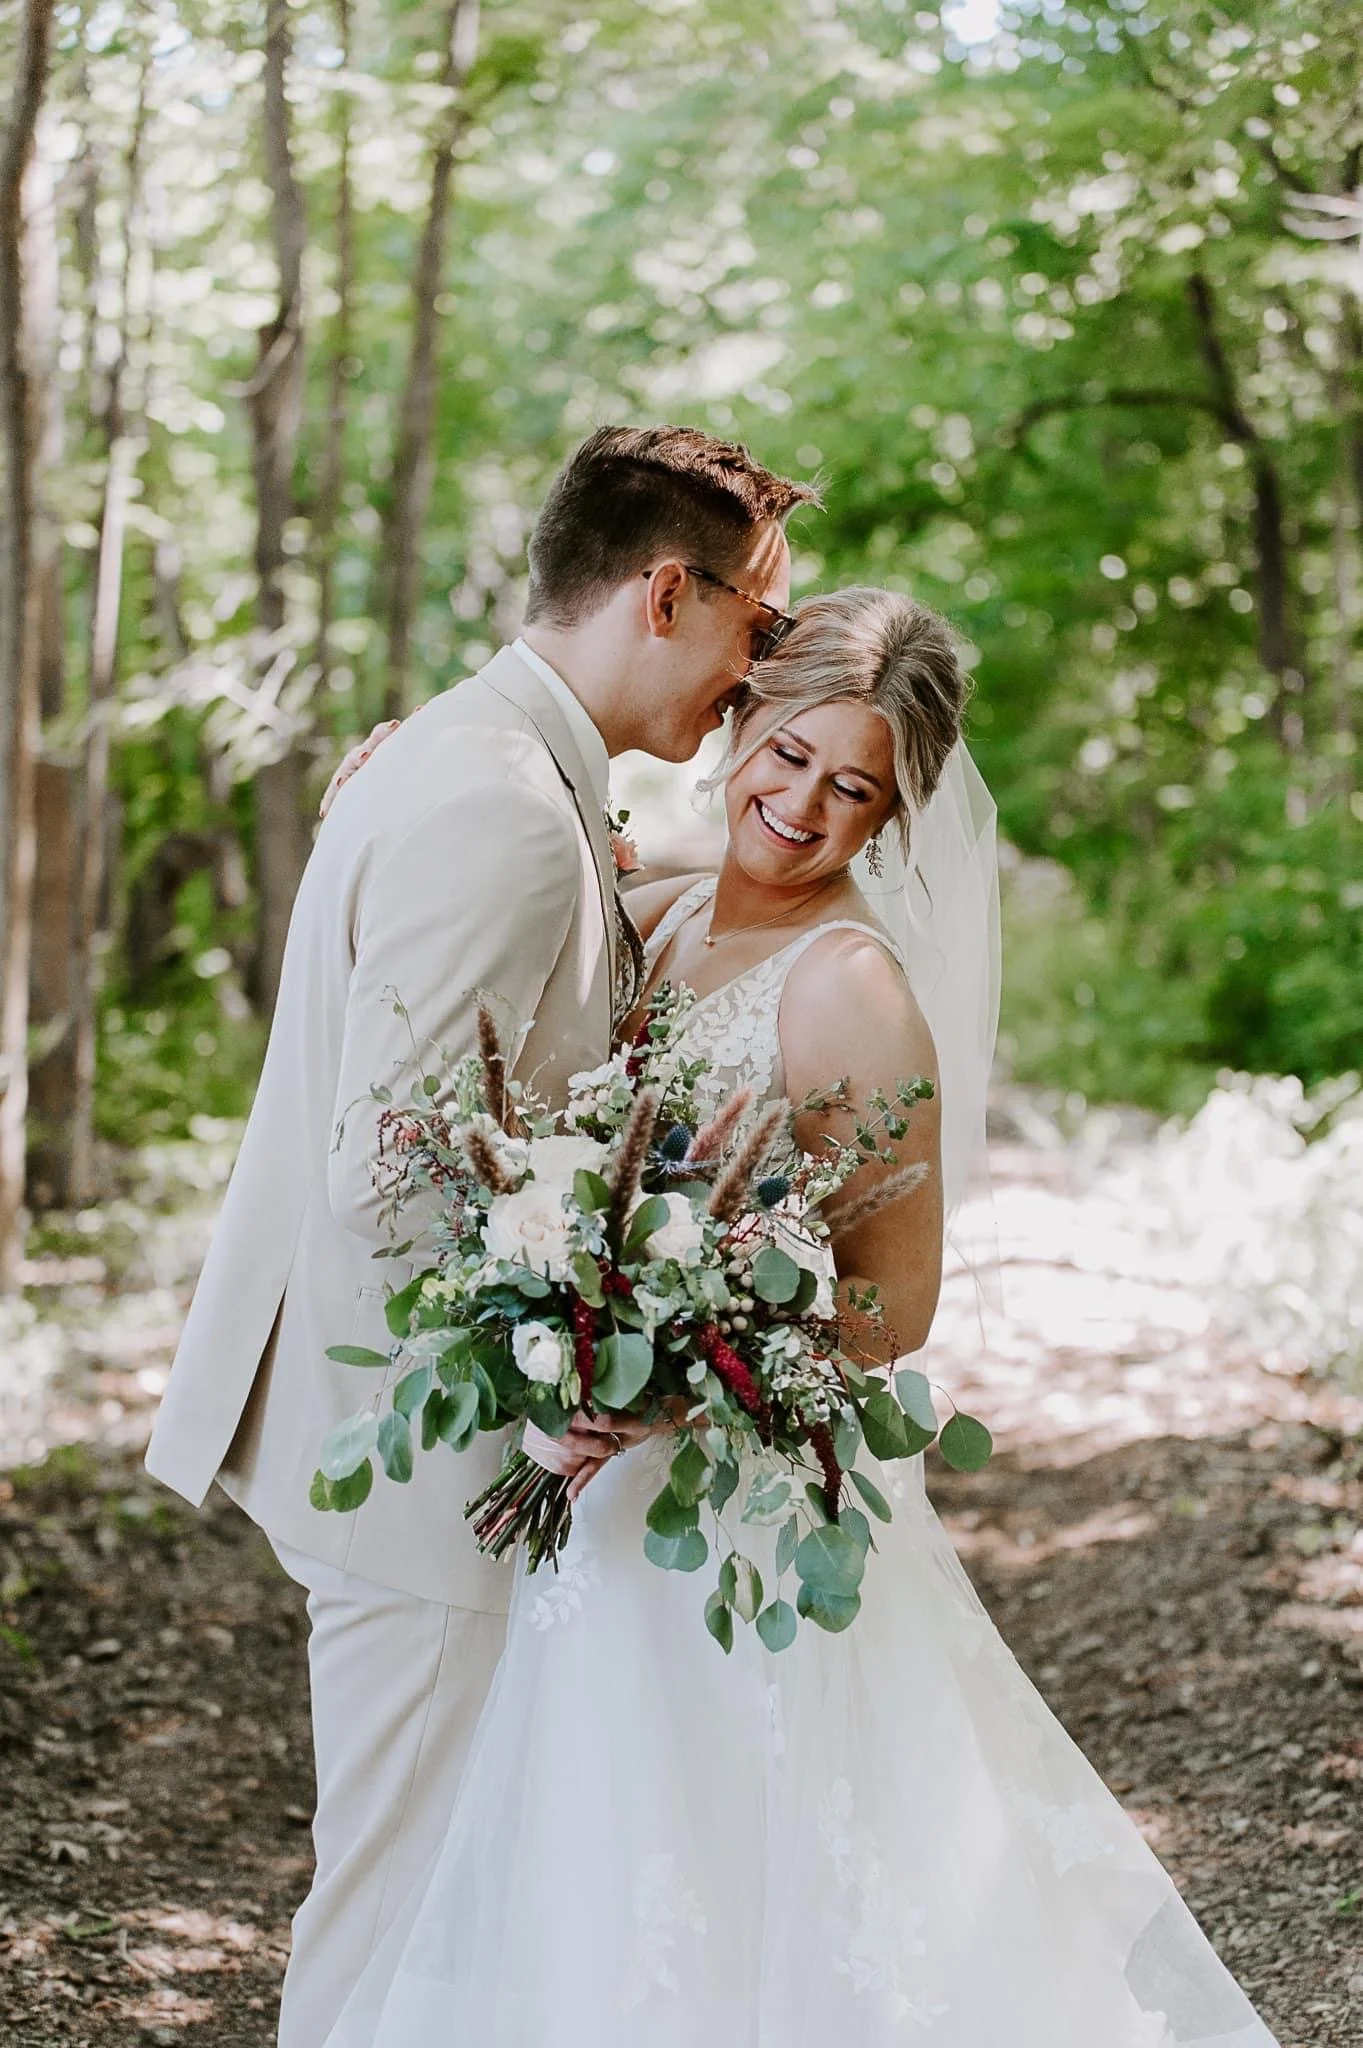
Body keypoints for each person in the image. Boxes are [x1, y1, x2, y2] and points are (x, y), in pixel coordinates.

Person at [323, 586, 1280, 2046]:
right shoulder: (645, 899)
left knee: (737, 1885)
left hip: (731, 1513)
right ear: (740, 724)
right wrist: (398, 779)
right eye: (787, 755)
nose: (801, 805)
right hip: (591, 1492)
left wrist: (677, 1386)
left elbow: (894, 1309)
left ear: (892, 819)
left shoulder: (849, 989)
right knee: (582, 1875)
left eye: (854, 790)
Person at [143, 422, 816, 2048]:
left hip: (399, 1435)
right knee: (398, 1905)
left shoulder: (489, 762)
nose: (755, 676)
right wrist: (599, 1343)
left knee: (455, 1899)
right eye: (756, 625)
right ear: (668, 593)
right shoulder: (500, 804)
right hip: (419, 1465)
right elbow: (400, 1169)